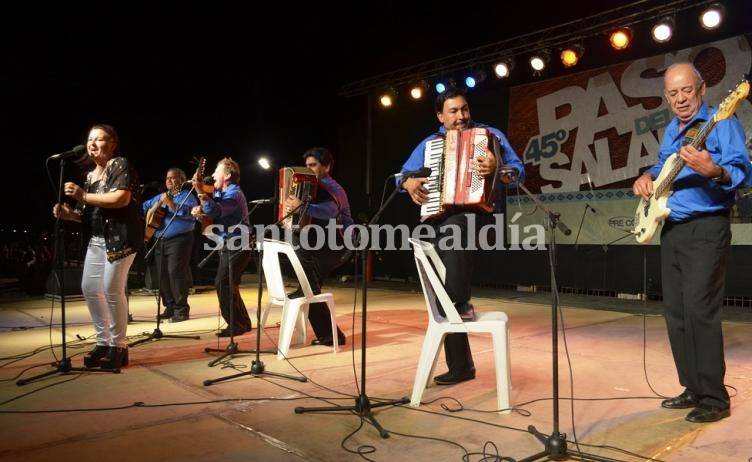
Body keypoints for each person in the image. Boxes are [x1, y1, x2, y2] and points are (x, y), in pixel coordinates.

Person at [632, 62, 751, 423]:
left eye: (687, 90)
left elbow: (742, 169)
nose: (681, 98)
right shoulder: (672, 128)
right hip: (673, 229)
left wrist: (712, 169)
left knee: (700, 310)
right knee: (677, 314)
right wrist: (646, 177)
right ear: (666, 97)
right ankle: (693, 388)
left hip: (706, 228)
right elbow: (662, 166)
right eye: (673, 93)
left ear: (700, 89)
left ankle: (715, 398)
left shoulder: (722, 120)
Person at [400, 86, 524, 385]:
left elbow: (518, 172)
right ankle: (461, 363)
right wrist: (408, 184)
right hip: (443, 219)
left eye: (465, 109)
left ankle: (459, 303)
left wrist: (498, 167)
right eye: (453, 111)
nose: (461, 116)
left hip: (481, 216)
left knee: (457, 229)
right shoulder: (430, 144)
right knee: (442, 290)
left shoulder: (489, 135)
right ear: (440, 116)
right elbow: (401, 175)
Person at [52, 123, 145, 369]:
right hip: (96, 240)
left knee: (112, 289)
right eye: (90, 139)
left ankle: (119, 346)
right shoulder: (90, 176)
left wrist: (83, 196)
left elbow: (120, 198)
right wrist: (68, 213)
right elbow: (85, 213)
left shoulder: (119, 164)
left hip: (121, 238)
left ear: (112, 144)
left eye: (99, 139)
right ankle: (103, 342)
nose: (92, 143)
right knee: (90, 288)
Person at [283, 147, 352, 346]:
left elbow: (329, 212)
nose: (308, 169)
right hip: (320, 244)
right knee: (309, 289)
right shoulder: (312, 186)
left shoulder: (332, 187)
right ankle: (330, 335)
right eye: (306, 166)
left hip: (337, 244)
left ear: (327, 167)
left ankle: (332, 335)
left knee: (309, 288)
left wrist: (301, 206)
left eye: (313, 165)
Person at [191, 157, 253, 337]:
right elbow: (214, 215)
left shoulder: (233, 193)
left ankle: (236, 325)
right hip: (232, 242)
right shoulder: (221, 193)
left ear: (226, 175)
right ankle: (242, 323)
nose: (212, 175)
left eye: (216, 172)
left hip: (238, 242)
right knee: (229, 283)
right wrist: (200, 214)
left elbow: (216, 211)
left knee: (223, 282)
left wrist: (200, 192)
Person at [142, 167, 197, 322]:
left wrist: (171, 204)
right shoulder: (162, 196)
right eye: (167, 178)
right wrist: (153, 208)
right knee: (162, 275)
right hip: (160, 240)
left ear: (181, 180)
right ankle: (170, 306)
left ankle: (182, 310)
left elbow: (190, 213)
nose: (169, 180)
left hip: (180, 240)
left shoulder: (187, 196)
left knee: (176, 273)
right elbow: (145, 206)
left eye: (173, 178)